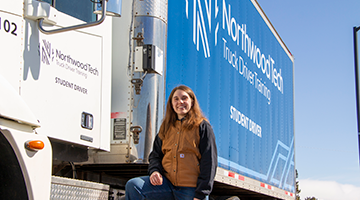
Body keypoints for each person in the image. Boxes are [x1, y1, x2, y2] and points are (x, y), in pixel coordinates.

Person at [125, 85, 217, 200]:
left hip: (191, 189)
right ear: (171, 103)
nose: (180, 102)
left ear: (192, 102)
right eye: (176, 99)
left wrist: (201, 194)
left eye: (184, 98)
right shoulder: (166, 128)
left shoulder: (202, 126)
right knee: (134, 186)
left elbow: (209, 162)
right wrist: (155, 171)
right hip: (166, 185)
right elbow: (155, 155)